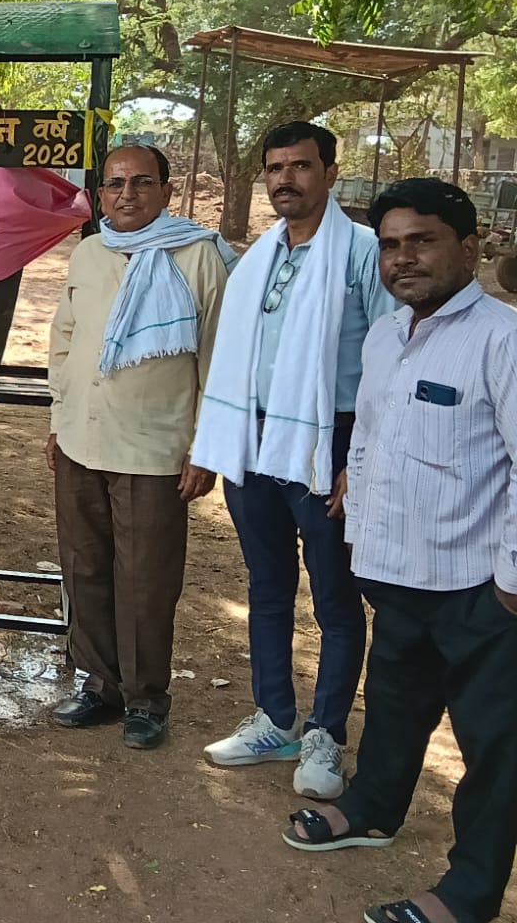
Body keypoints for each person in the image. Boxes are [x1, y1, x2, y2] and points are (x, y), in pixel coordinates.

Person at [283, 179, 517, 923]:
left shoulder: (504, 341)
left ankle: (469, 894)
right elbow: (374, 434)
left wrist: (511, 584)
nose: (403, 258)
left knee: (494, 747)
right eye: (390, 245)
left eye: (423, 241)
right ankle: (373, 809)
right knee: (392, 705)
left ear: (469, 249)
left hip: (480, 588)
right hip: (396, 571)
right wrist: (360, 512)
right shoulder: (387, 335)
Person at [192, 120, 393, 799]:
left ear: (330, 173)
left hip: (330, 439)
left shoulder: (361, 253)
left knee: (335, 596)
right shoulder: (260, 255)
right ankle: (274, 719)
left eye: (301, 166)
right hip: (254, 438)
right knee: (268, 585)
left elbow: (390, 360)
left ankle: (325, 734)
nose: (286, 179)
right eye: (276, 168)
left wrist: (359, 459)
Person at [46, 144, 233, 750]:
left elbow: (219, 360)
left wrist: (205, 447)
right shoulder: (90, 252)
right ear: (100, 193)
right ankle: (100, 684)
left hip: (154, 450)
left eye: (142, 182)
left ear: (166, 192)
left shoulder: (198, 257)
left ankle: (146, 699)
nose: (127, 194)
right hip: (81, 439)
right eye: (115, 183)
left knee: (146, 581)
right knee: (84, 568)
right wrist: (58, 419)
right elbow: (64, 340)